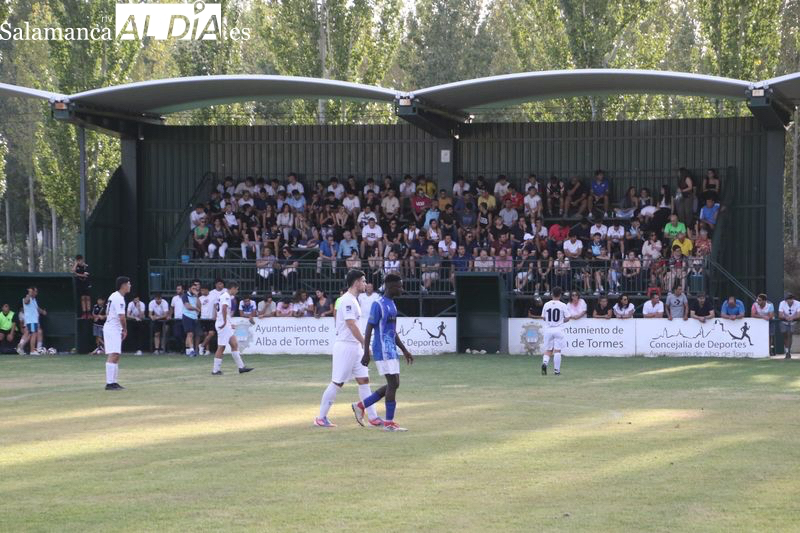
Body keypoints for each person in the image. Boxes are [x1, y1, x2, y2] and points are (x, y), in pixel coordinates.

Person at [315, 269, 383, 428]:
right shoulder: (346, 300)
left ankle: (373, 417)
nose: (366, 284)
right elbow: (351, 324)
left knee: (364, 381)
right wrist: (365, 343)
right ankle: (320, 417)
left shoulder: (354, 300)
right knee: (337, 383)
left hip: (355, 347)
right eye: (364, 281)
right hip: (346, 346)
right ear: (357, 282)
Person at [353, 274, 414, 432]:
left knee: (394, 384)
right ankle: (388, 423)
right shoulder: (378, 304)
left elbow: (392, 331)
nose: (401, 289)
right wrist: (366, 353)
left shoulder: (392, 304)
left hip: (391, 350)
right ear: (390, 287)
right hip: (382, 350)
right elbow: (369, 328)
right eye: (399, 286)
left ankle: (361, 405)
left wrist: (404, 350)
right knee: (393, 384)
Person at [211, 282, 253, 375]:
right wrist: (225, 322)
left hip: (225, 324)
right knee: (221, 347)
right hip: (223, 324)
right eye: (237, 289)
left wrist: (229, 323)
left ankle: (241, 367)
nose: (237, 291)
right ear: (232, 288)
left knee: (234, 344)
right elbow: (224, 308)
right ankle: (215, 370)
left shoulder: (224, 296)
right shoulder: (226, 296)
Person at [103, 276, 130, 390]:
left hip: (113, 328)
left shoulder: (114, 296)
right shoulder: (118, 298)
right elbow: (122, 317)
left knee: (116, 355)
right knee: (113, 354)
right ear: (123, 285)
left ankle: (114, 382)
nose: (130, 286)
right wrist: (125, 329)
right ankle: (109, 383)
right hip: (112, 328)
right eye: (128, 284)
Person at [540, 286, 570, 376]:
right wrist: (562, 321)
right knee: (557, 350)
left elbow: (543, 317)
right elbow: (568, 317)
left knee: (548, 350)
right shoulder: (562, 305)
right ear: (560, 295)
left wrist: (549, 321)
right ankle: (557, 371)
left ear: (552, 294)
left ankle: (545, 363)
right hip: (559, 329)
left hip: (548, 329)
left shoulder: (546, 304)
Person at [22, 287, 47, 355]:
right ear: (31, 292)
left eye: (36, 292)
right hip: (31, 321)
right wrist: (29, 294)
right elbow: (26, 302)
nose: (36, 293)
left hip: (34, 321)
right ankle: (32, 351)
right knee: (33, 334)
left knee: (33, 334)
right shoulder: (27, 298)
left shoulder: (34, 300)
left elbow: (37, 308)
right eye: (34, 291)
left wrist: (42, 312)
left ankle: (21, 347)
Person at [182, 280, 202, 357]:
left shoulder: (196, 296)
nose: (195, 290)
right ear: (189, 288)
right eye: (193, 288)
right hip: (187, 316)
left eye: (196, 288)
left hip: (194, 317)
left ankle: (188, 350)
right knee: (190, 333)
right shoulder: (185, 295)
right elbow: (187, 306)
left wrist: (197, 296)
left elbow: (199, 306)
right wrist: (196, 309)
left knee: (191, 334)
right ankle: (192, 350)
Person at [779, 292, 800, 358]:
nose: (790, 300)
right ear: (786, 300)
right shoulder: (782, 303)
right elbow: (780, 315)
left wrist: (792, 318)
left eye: (791, 299)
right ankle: (787, 350)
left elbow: (798, 315)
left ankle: (788, 352)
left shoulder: (798, 303)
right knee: (785, 334)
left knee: (790, 334)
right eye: (788, 299)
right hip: (784, 321)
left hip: (794, 322)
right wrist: (786, 317)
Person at [198, 287, 216, 356]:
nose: (202, 292)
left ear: (207, 290)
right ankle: (207, 350)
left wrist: (215, 315)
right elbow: (199, 307)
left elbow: (215, 306)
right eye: (201, 290)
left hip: (211, 318)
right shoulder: (200, 298)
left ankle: (202, 345)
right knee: (206, 334)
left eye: (203, 290)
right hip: (203, 318)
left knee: (211, 333)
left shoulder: (213, 297)